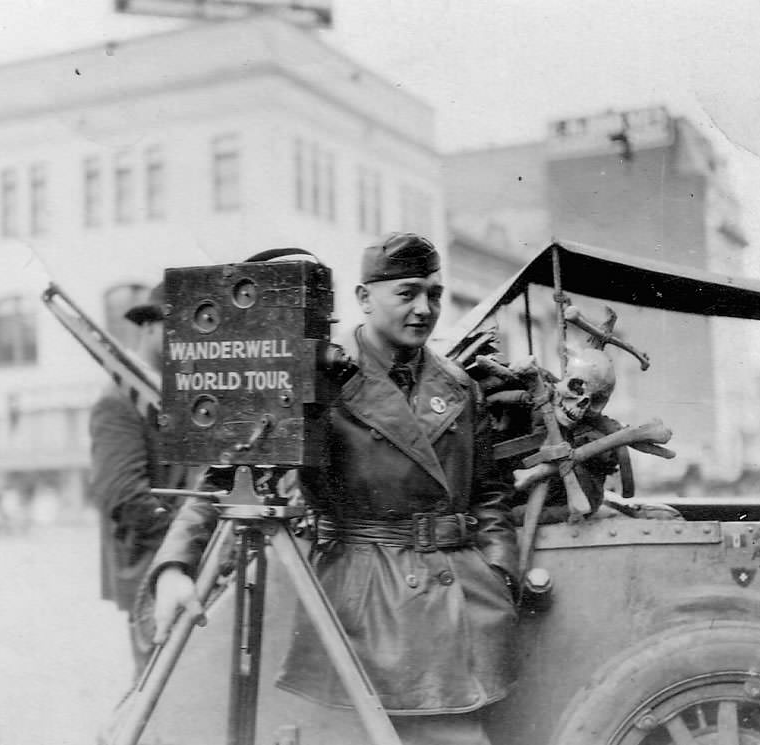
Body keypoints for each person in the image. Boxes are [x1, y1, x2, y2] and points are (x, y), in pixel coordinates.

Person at [148, 234, 520, 745]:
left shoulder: (458, 384)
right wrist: (174, 567)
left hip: (458, 594)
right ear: (365, 299)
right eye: (407, 293)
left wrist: (499, 570)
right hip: (362, 595)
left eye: (434, 294)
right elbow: (225, 476)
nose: (424, 308)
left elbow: (492, 492)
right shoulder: (316, 374)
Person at [89, 283, 192, 677]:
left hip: (182, 564)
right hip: (152, 570)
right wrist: (186, 542)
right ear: (148, 327)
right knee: (158, 690)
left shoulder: (177, 392)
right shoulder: (118, 398)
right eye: (174, 327)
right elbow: (124, 497)